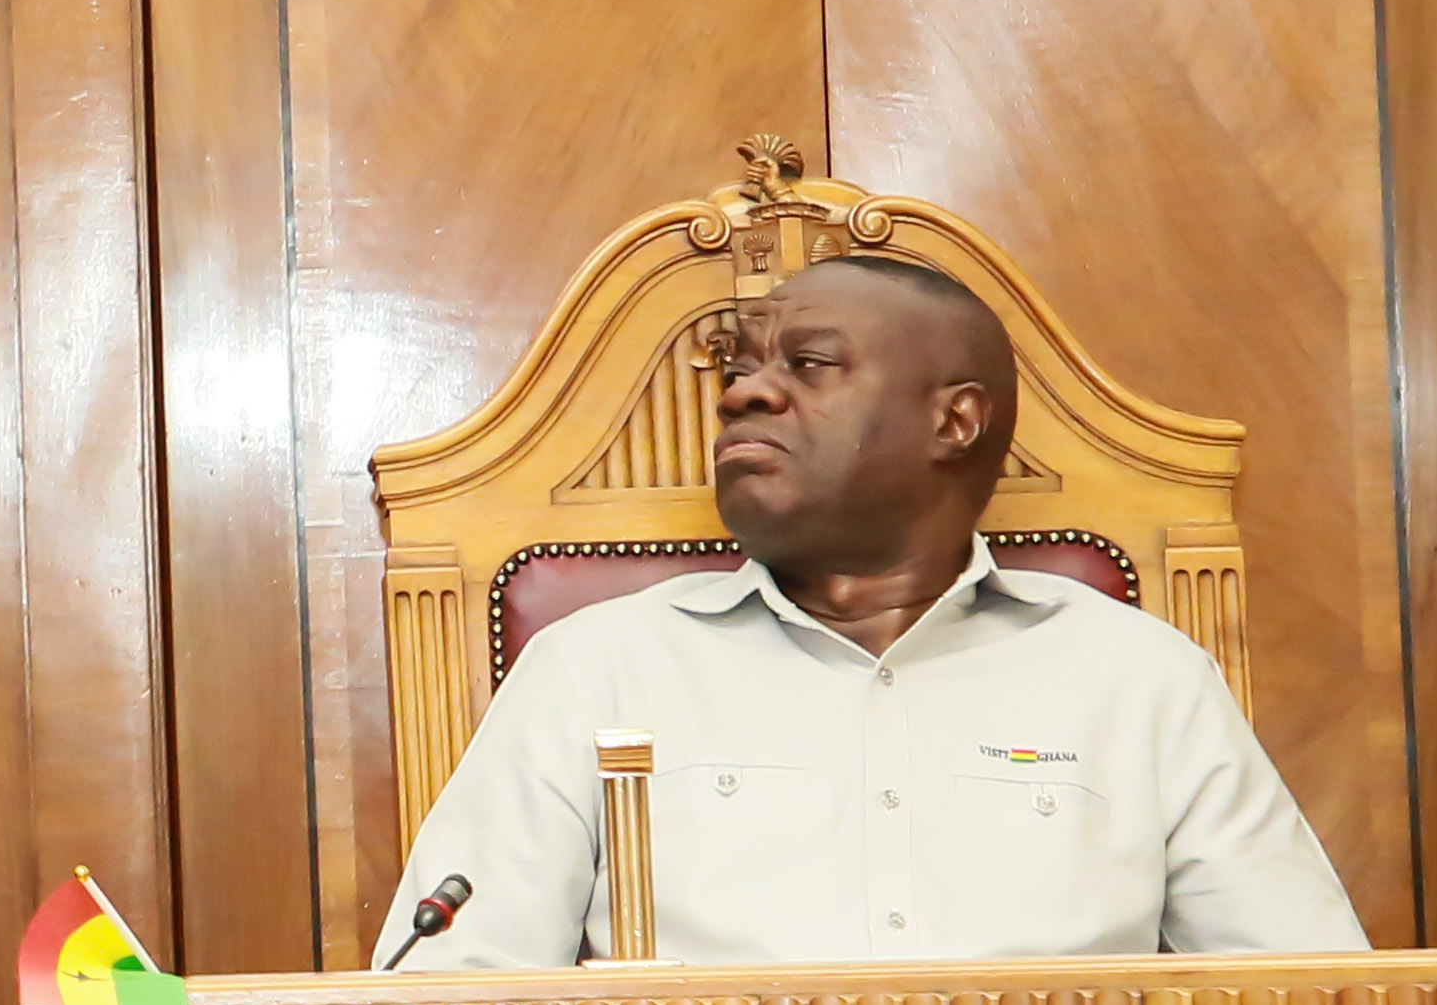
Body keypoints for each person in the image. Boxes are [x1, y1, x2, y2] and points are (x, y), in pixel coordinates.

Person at [389, 252, 1369, 966]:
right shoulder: (597, 671)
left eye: (809, 365)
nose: (743, 396)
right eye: (739, 371)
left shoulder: (1141, 681)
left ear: (955, 420)